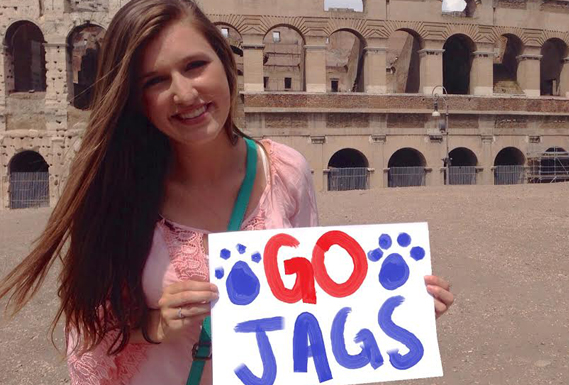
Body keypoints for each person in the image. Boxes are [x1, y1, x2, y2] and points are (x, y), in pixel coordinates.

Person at [0, 0, 455, 384]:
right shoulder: (114, 188)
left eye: (195, 65)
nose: (183, 93)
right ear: (134, 99)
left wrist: (394, 309)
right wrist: (154, 325)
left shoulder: (287, 171)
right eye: (154, 81)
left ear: (225, 61)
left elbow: (311, 315)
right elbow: (87, 333)